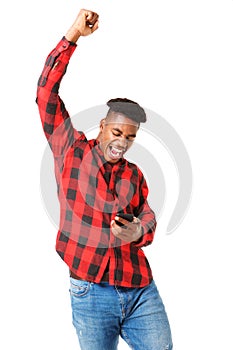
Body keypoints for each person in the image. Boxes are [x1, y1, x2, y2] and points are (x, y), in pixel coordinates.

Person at [36, 8, 173, 350]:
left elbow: (148, 215)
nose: (122, 143)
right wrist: (73, 36)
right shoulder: (70, 150)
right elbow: (45, 95)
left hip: (140, 288)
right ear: (102, 126)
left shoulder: (134, 174)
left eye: (130, 138)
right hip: (90, 291)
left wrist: (139, 230)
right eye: (117, 132)